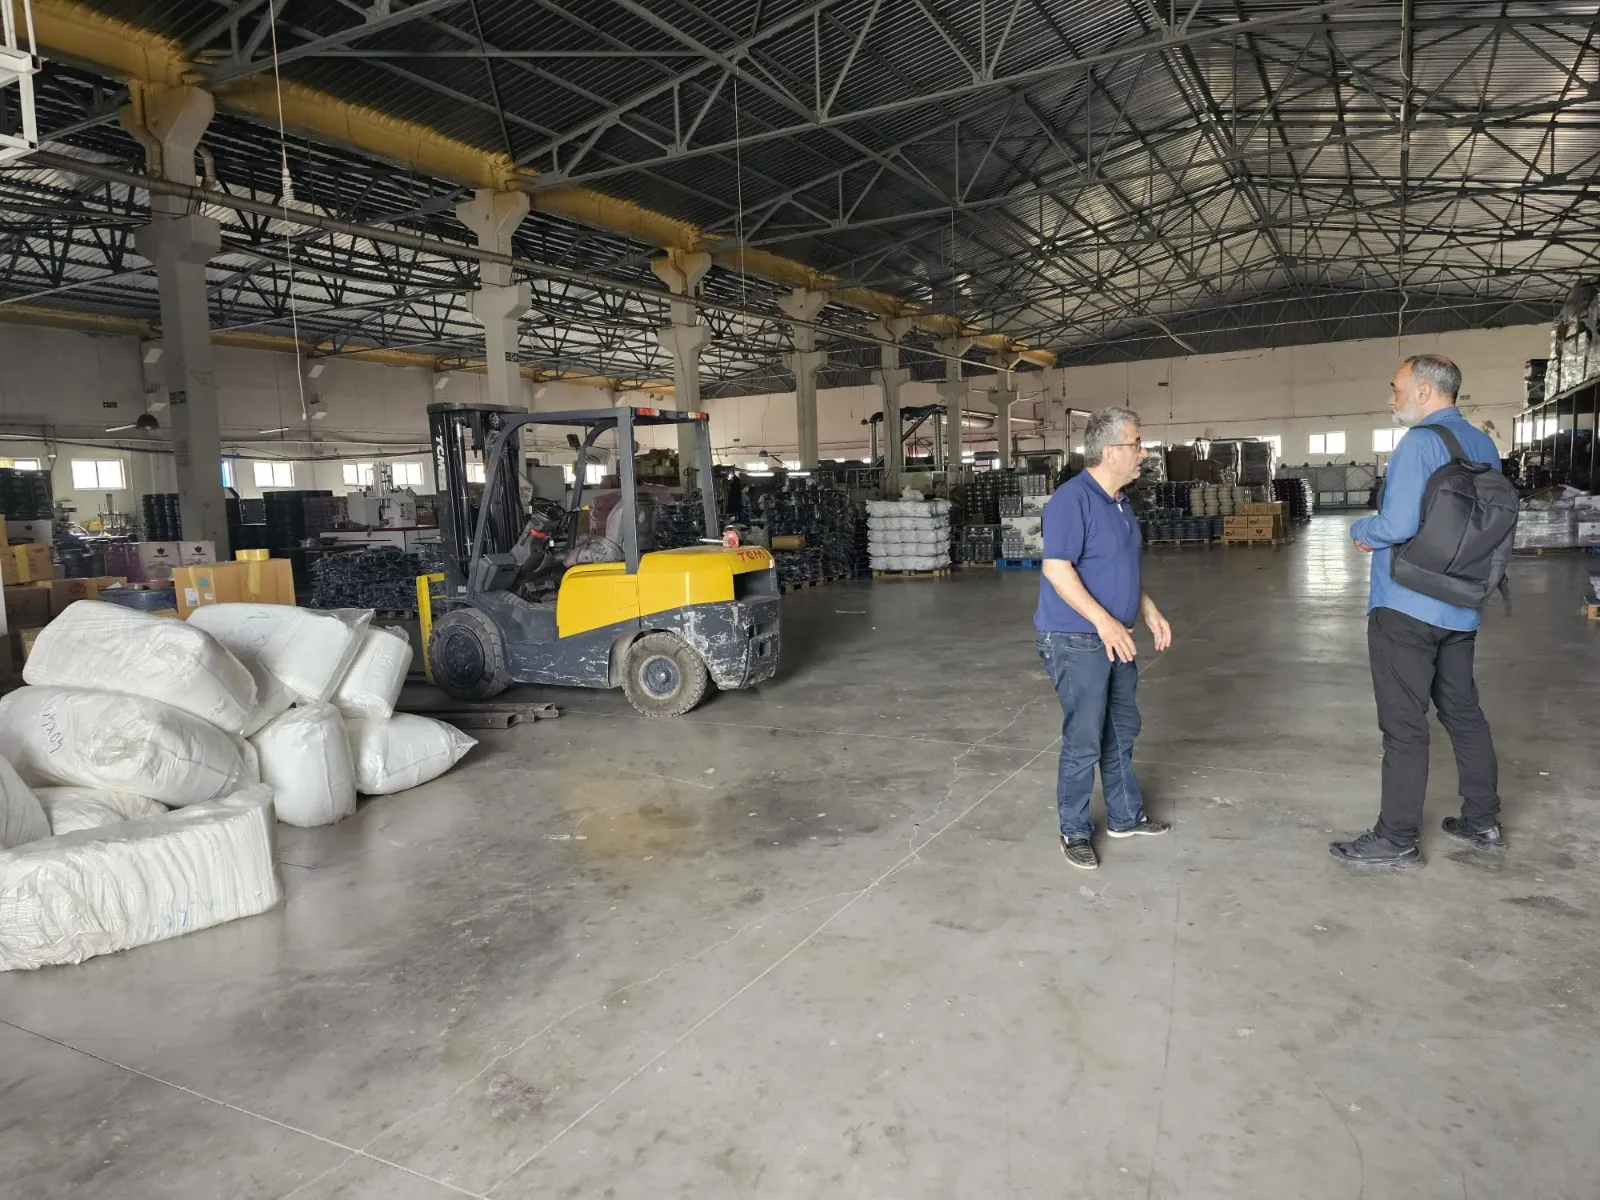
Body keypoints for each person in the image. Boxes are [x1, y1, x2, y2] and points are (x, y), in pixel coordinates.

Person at [1331, 354, 1505, 869]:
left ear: (1425, 391)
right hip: (1461, 604)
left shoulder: (1418, 443)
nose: (1392, 399)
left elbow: (1397, 524)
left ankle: (1397, 838)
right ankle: (1483, 820)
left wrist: (1359, 530)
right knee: (1464, 713)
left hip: (1407, 607)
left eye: (1396, 388)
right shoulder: (1484, 445)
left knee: (1404, 725)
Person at [1036, 406, 1172, 871]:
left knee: (1121, 728)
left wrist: (1146, 608)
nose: (1143, 453)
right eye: (1137, 444)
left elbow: (1118, 568)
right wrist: (1104, 622)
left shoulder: (1119, 503)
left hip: (1116, 636)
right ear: (1111, 452)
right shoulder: (1071, 500)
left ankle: (1125, 816)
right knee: (1085, 737)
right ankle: (1073, 829)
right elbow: (1057, 570)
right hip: (1076, 638)